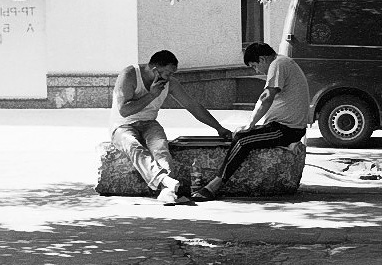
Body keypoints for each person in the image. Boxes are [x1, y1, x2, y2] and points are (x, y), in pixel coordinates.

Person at [109, 50, 232, 204]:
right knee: (133, 146)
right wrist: (152, 95)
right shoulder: (129, 75)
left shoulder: (170, 83)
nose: (169, 78)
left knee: (160, 147)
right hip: (122, 125)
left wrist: (219, 128)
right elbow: (124, 110)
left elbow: (192, 106)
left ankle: (167, 189)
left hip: (149, 123)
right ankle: (166, 181)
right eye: (167, 74)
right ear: (155, 70)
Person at [191, 42, 310, 201]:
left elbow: (267, 98)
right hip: (283, 127)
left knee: (243, 140)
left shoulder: (277, 64)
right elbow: (265, 99)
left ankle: (215, 185)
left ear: (262, 59)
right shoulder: (283, 62)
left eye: (255, 66)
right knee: (243, 135)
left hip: (286, 129)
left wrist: (250, 125)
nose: (257, 70)